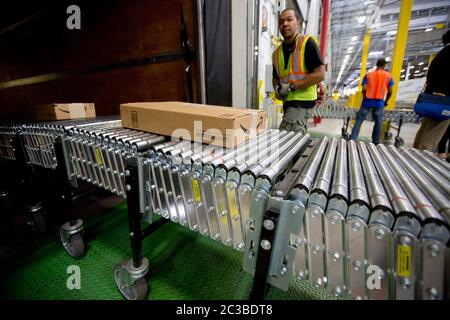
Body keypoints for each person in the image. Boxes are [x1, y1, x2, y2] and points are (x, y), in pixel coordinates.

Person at [272, 8, 325, 133]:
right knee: (292, 140)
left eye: (289, 20)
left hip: (302, 103)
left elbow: (320, 74)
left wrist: (291, 87)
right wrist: (277, 88)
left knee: (286, 138)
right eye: (281, 22)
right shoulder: (276, 53)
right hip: (287, 104)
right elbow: (275, 77)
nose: (285, 24)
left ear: (298, 22)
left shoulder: (307, 43)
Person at [413, 30, 450, 152]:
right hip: (444, 102)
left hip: (432, 99)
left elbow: (430, 77)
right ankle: (423, 158)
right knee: (434, 133)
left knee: (426, 128)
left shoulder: (441, 54)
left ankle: (415, 152)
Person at [350, 58, 394, 145]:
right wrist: (386, 101)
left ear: (376, 65)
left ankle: (353, 139)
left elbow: (364, 88)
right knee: (378, 122)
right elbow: (390, 91)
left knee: (359, 120)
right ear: (384, 66)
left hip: (367, 101)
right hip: (379, 102)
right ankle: (375, 141)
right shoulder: (388, 76)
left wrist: (365, 97)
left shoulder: (369, 75)